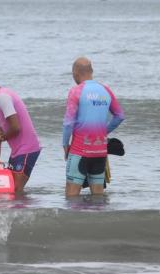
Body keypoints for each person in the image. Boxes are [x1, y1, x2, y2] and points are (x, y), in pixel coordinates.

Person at [62, 57, 125, 196]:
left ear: (76, 73)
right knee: (98, 197)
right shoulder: (105, 90)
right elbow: (120, 116)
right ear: (91, 71)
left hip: (80, 151)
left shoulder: (76, 91)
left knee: (71, 196)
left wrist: (65, 145)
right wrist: (103, 132)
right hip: (100, 152)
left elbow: (68, 123)